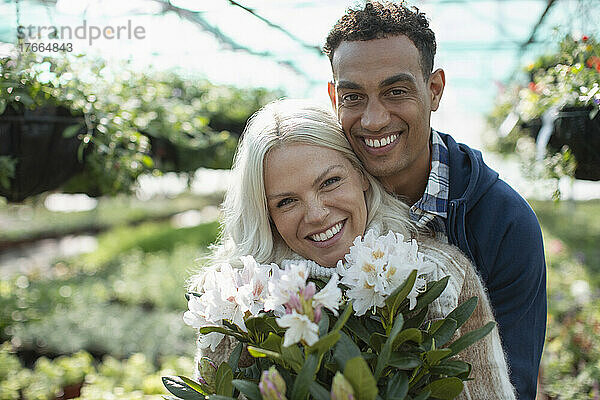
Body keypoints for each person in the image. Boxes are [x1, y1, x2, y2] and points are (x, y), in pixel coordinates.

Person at [191, 99, 516, 399]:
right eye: (287, 201)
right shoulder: (239, 299)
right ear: (268, 215)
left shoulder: (436, 274)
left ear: (361, 174)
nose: (317, 214)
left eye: (330, 182)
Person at [323, 3, 546, 399]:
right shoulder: (321, 205)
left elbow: (512, 384)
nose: (373, 120)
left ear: (434, 89)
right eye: (353, 96)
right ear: (332, 96)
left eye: (396, 92)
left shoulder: (505, 223)